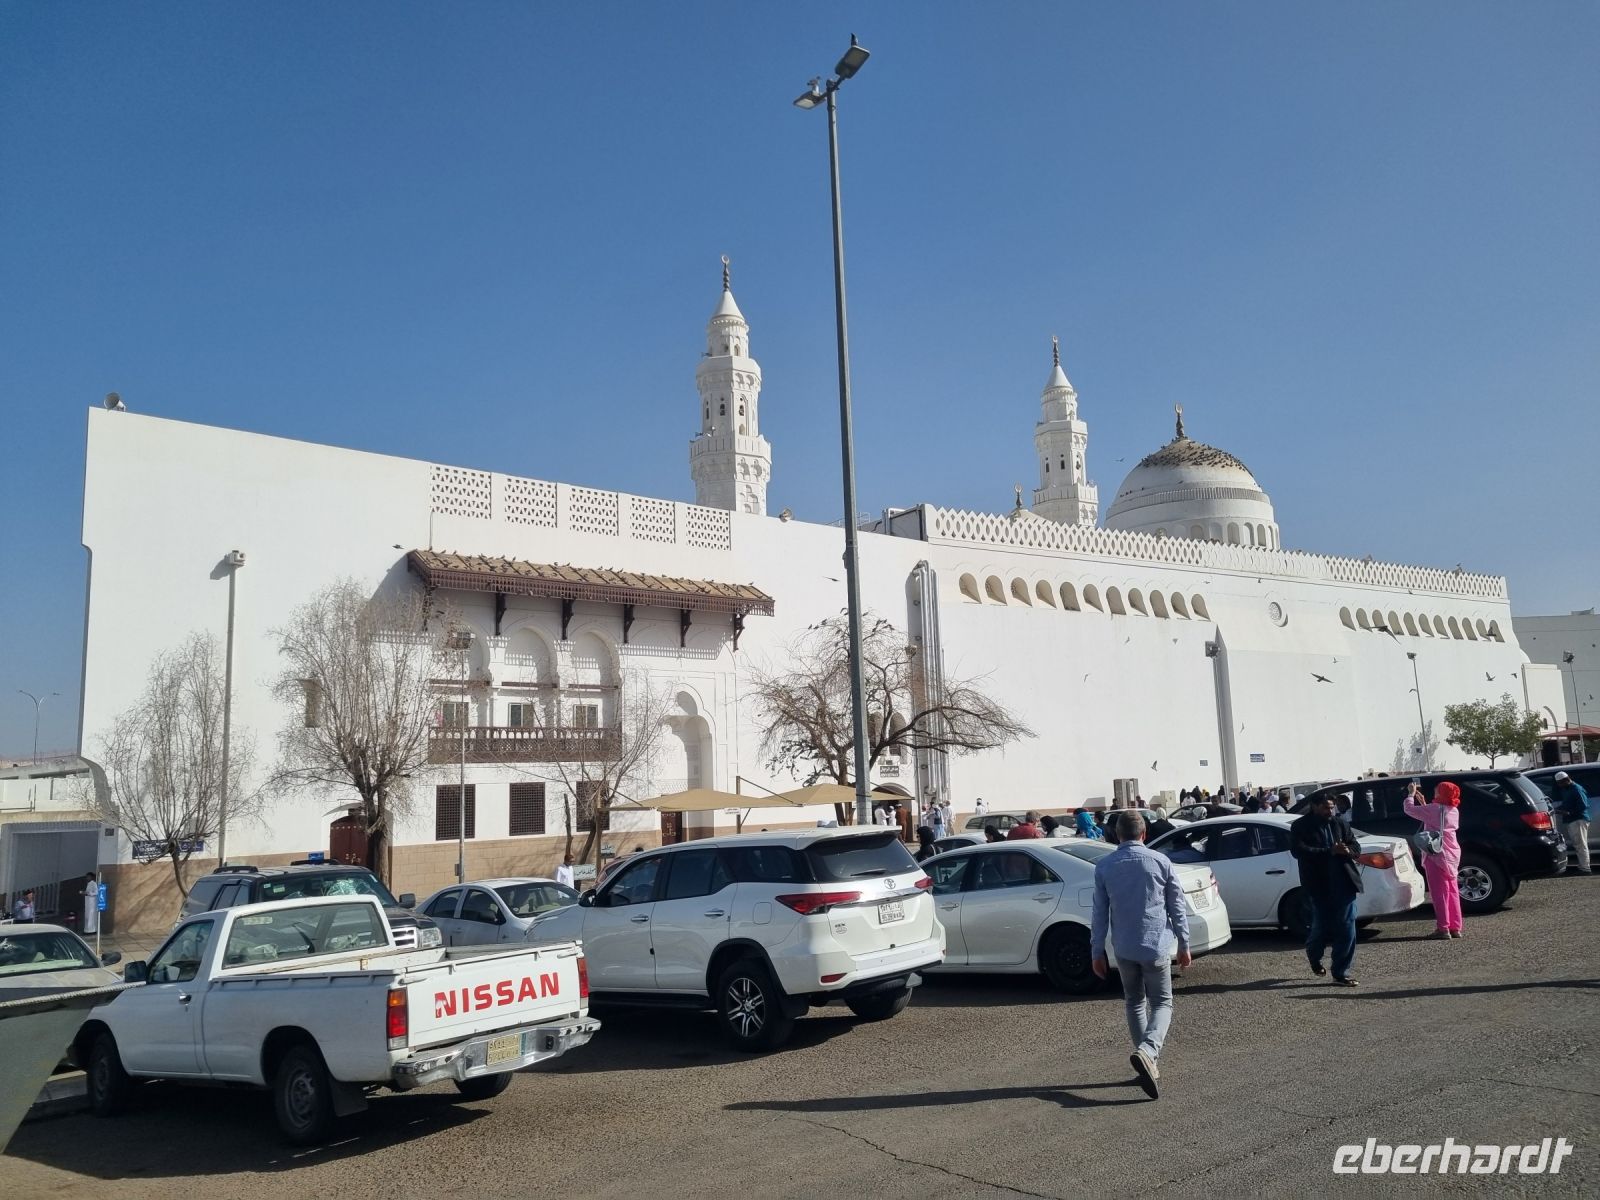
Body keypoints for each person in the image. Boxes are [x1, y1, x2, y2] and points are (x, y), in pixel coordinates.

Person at [1091, 811, 1191, 1100]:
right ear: (1144, 833)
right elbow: (1177, 906)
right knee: (1162, 1003)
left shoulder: (1105, 866)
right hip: (1155, 944)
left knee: (1135, 1002)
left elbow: (1099, 913)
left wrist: (1096, 950)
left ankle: (1146, 1063)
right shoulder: (1161, 862)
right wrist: (1184, 943)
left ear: (1116, 835)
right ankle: (1148, 1052)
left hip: (1123, 947)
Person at [1289, 794, 1363, 985]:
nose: (1330, 811)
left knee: (1347, 928)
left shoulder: (1340, 824)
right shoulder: (1301, 826)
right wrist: (1329, 851)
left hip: (1344, 883)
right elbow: (1299, 851)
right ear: (1314, 806)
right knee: (1321, 928)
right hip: (1318, 885)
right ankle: (1314, 957)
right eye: (1325, 808)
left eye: (1332, 808)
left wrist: (1349, 850)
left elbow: (1355, 845)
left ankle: (1341, 973)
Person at [1404, 780, 1463, 938]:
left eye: (1437, 790)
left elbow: (1409, 809)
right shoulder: (1453, 810)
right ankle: (1455, 927)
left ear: (1441, 793)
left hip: (1436, 854)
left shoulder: (1433, 809)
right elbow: (1437, 818)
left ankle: (1443, 928)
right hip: (1452, 854)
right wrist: (1423, 803)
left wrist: (1410, 794)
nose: (1435, 791)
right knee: (1452, 891)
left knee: (1439, 893)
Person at [1550, 771, 1592, 875]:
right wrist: (1557, 809)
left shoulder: (1576, 789)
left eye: (1560, 783)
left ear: (1566, 780)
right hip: (1572, 820)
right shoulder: (1566, 789)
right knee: (1578, 844)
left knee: (1581, 845)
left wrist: (1568, 812)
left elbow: (1584, 805)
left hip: (1578, 819)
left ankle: (1585, 868)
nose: (1559, 785)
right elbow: (1566, 804)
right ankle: (1582, 866)